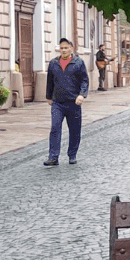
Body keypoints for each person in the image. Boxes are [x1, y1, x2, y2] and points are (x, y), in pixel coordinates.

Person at [45, 38, 88, 166]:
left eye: (66, 48)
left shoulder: (78, 62)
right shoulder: (53, 63)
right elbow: (49, 81)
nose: (63, 50)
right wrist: (49, 96)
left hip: (73, 102)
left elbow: (84, 80)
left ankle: (72, 155)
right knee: (55, 128)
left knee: (74, 130)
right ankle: (53, 157)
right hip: (57, 102)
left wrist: (82, 95)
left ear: (71, 49)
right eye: (61, 48)